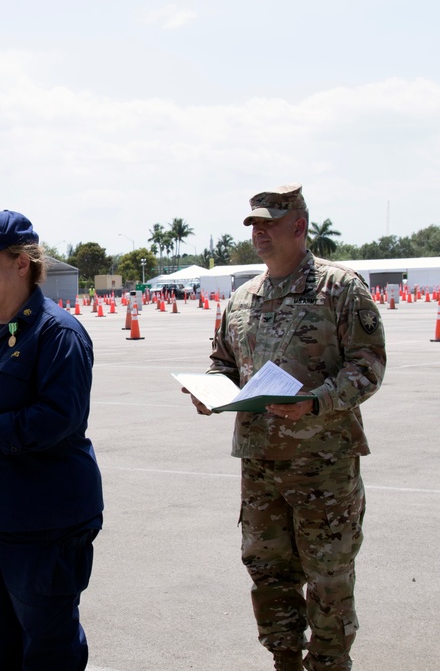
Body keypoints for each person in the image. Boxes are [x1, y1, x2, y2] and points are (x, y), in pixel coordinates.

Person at [184, 184, 386, 671]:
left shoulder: (339, 288)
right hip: (260, 466)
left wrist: (316, 403)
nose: (259, 233)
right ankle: (285, 660)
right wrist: (210, 392)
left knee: (329, 576)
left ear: (299, 226)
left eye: (268, 223)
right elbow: (223, 363)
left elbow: (368, 365)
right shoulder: (242, 298)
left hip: (324, 467)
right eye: (253, 225)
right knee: (267, 571)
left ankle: (330, 664)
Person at [0, 210, 103, 670]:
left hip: (44, 519)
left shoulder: (58, 333)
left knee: (48, 644)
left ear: (22, 263)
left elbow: (60, 416)